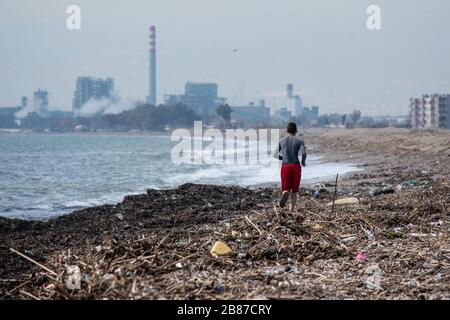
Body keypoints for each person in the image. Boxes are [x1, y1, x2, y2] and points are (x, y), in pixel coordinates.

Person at [273, 122, 307, 212]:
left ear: (287, 130)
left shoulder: (281, 141)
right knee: (294, 191)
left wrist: (283, 158)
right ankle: (291, 210)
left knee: (285, 187)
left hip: (285, 166)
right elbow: (303, 153)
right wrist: (303, 161)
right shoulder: (300, 141)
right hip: (295, 166)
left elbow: (275, 154)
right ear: (296, 130)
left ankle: (285, 193)